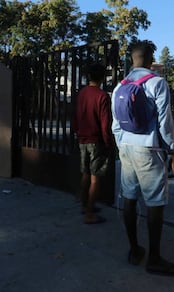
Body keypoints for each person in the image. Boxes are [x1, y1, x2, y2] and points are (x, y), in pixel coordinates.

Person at [111, 40, 174, 277]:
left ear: (132, 58)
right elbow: (165, 122)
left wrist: (123, 146)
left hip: (125, 146)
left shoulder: (119, 86)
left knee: (130, 198)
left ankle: (134, 250)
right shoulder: (157, 82)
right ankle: (154, 258)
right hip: (149, 149)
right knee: (155, 202)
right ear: (150, 57)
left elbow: (115, 125)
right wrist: (171, 151)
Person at [73, 63, 114, 224]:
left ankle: (84, 205)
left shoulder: (81, 93)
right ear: (102, 77)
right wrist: (108, 142)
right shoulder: (102, 96)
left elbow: (75, 116)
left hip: (83, 139)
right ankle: (90, 213)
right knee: (95, 178)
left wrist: (78, 132)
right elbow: (105, 124)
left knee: (85, 174)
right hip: (96, 141)